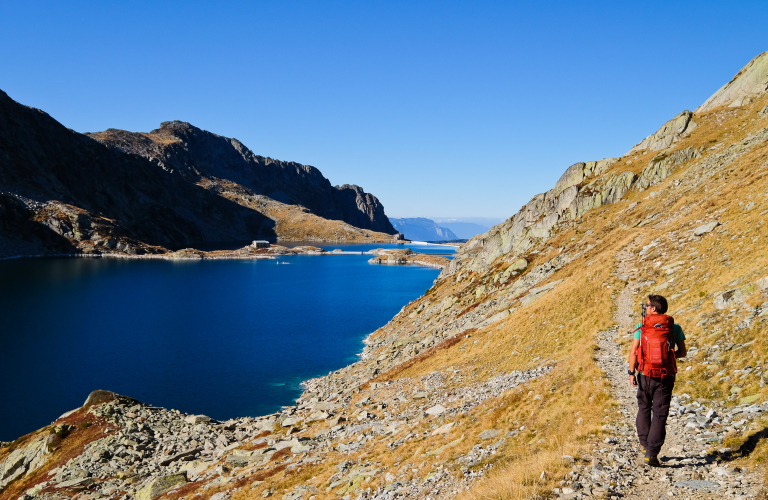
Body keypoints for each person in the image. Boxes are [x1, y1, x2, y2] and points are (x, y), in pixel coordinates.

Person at [627, 294, 686, 467]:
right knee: (660, 413)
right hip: (665, 376)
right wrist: (667, 356)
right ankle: (652, 454)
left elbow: (633, 352)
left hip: (645, 374)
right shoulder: (674, 327)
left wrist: (632, 373)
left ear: (654, 308)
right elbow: (682, 352)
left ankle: (645, 446)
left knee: (644, 407)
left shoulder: (642, 326)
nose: (645, 308)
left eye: (647, 305)